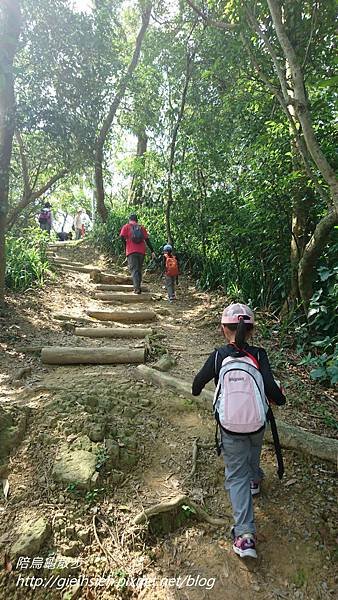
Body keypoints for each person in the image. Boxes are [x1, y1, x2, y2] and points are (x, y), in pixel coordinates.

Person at [192, 303, 286, 559]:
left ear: (224, 329)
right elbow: (271, 390)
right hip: (257, 421)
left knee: (235, 475)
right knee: (254, 446)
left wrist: (203, 389)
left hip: (229, 426)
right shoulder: (260, 354)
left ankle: (245, 535)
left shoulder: (219, 356)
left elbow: (196, 385)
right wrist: (281, 398)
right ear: (252, 330)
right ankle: (254, 479)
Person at [119, 214, 155, 294]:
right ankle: (138, 287)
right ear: (136, 220)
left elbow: (121, 237)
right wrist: (152, 251)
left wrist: (126, 246)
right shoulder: (141, 228)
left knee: (134, 270)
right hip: (141, 251)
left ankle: (137, 289)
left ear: (129, 219)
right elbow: (147, 240)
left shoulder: (126, 226)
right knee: (139, 269)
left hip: (131, 251)